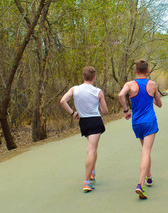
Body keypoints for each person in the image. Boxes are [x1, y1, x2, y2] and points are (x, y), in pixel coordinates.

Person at [118, 59, 162, 199]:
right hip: (149, 121)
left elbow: (120, 95)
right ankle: (140, 184)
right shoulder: (152, 84)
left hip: (136, 123)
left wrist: (126, 111)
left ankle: (149, 177)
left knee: (144, 151)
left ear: (136, 71)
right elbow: (159, 104)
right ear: (147, 71)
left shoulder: (130, 84)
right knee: (146, 152)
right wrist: (153, 98)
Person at [60, 66, 108, 192]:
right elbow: (105, 111)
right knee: (91, 149)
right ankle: (86, 181)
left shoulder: (75, 89)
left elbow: (62, 101)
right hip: (95, 120)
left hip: (84, 121)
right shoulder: (98, 91)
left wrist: (72, 113)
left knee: (93, 147)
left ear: (83, 76)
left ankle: (92, 172)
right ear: (94, 77)